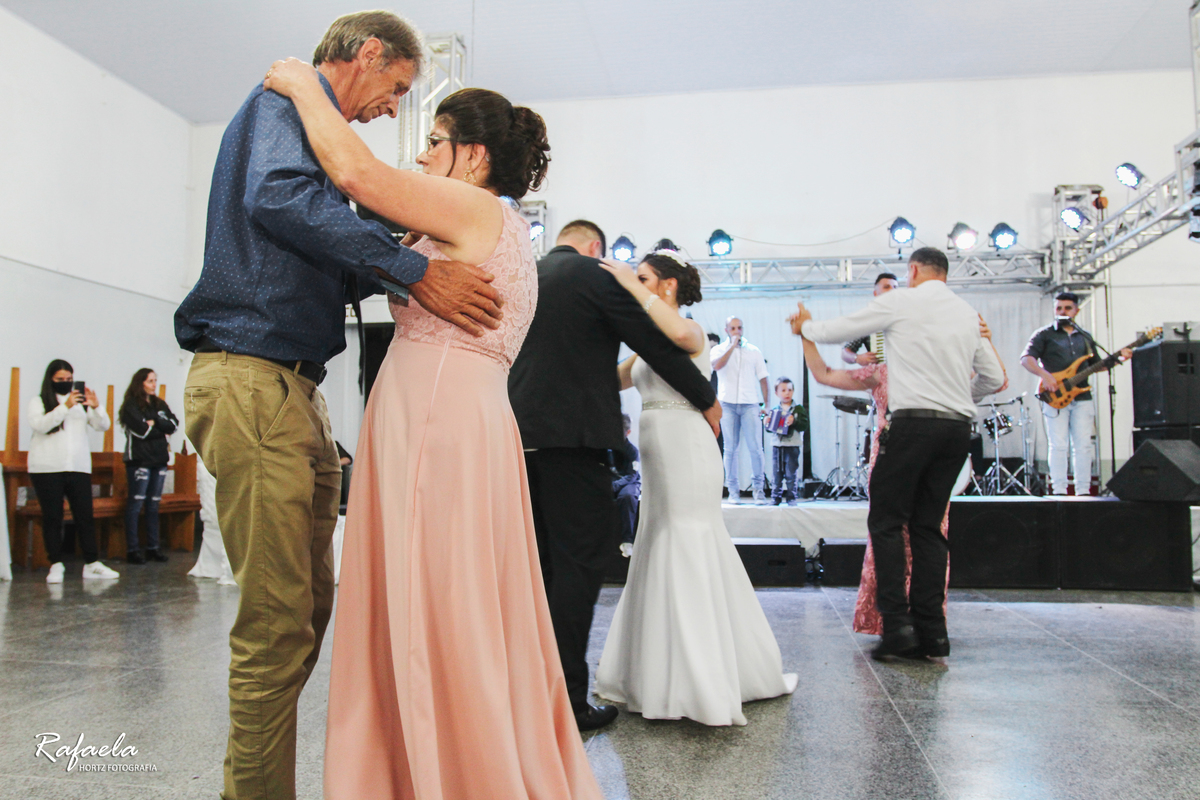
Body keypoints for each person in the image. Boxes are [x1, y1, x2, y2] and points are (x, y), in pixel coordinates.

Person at [175, 13, 504, 800]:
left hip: (293, 386)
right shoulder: (283, 105)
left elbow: (325, 248)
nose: (394, 110)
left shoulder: (317, 137)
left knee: (307, 613)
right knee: (276, 625)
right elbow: (283, 200)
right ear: (367, 54)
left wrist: (413, 249)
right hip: (253, 377)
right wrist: (414, 270)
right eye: (397, 88)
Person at [265, 52, 605, 798]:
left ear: (473, 156)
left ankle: (442, 772)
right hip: (459, 409)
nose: (421, 156)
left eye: (434, 141)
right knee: (455, 596)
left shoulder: (475, 209)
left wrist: (299, 85)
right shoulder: (494, 222)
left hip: (436, 412)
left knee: (433, 596)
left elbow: (358, 174)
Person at [509, 222, 721, 731]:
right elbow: (655, 346)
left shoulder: (526, 274)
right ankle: (568, 701)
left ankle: (530, 692)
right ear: (596, 249)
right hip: (575, 440)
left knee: (540, 570)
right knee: (579, 567)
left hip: (520, 436)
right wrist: (708, 399)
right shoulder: (593, 275)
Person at [593, 250, 797, 726]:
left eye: (644, 278)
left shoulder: (691, 331)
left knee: (686, 540)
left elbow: (683, 336)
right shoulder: (648, 341)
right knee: (658, 542)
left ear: (667, 286)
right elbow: (614, 378)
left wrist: (630, 286)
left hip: (687, 446)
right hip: (657, 449)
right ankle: (657, 673)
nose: (634, 282)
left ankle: (701, 679)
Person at [790, 247, 1005, 660]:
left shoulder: (902, 301)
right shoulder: (966, 313)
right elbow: (994, 377)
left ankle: (898, 629)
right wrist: (959, 396)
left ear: (914, 270)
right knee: (928, 528)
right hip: (956, 429)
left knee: (887, 523)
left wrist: (806, 327)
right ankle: (933, 632)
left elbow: (840, 330)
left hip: (912, 426)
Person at [1020, 292, 1131, 496]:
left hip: (1082, 397)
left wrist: (1118, 359)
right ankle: (1059, 490)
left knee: (1083, 445)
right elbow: (1026, 359)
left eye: (1067, 308)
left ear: (1076, 311)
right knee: (1058, 444)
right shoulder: (1044, 334)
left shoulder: (1085, 337)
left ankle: (1083, 490)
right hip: (1054, 396)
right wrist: (1045, 376)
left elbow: (1097, 365)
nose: (1062, 312)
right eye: (1058, 308)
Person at [26, 359, 119, 584]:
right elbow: (40, 425)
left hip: (78, 467)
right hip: (47, 467)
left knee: (85, 515)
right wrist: (65, 407)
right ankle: (55, 564)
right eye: (60, 379)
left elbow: (103, 425)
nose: (66, 383)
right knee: (53, 517)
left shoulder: (80, 403)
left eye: (69, 379)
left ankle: (92, 563)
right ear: (51, 379)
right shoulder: (39, 401)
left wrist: (96, 406)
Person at [118, 368, 179, 564]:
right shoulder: (130, 405)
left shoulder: (159, 404)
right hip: (139, 460)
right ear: (140, 383)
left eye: (155, 380)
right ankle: (133, 549)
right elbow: (141, 431)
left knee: (153, 505)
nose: (154, 384)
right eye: (150, 381)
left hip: (159, 460)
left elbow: (174, 425)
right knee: (136, 505)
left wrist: (156, 422)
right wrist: (160, 427)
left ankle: (153, 548)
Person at [711, 317, 770, 503]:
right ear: (726, 330)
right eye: (733, 328)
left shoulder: (753, 351)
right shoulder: (718, 350)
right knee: (730, 449)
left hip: (750, 403)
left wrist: (766, 404)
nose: (737, 331)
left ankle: (758, 490)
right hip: (727, 404)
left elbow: (763, 378)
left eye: (739, 328)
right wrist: (731, 347)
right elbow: (716, 366)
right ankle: (733, 491)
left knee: (756, 448)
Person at [841, 273, 900, 364]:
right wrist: (857, 358)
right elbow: (845, 353)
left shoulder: (908, 317)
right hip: (880, 371)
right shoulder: (867, 321)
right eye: (886, 287)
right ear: (875, 293)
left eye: (895, 287)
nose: (892, 290)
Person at [766, 377, 808, 505]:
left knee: (791, 473)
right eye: (783, 390)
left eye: (789, 390)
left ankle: (791, 497)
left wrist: (794, 421)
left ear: (793, 391)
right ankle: (775, 497)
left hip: (792, 445)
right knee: (776, 474)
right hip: (777, 445)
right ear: (776, 393)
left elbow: (804, 426)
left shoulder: (798, 409)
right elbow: (770, 429)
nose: (787, 393)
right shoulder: (775, 409)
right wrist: (767, 423)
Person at [613, 414, 641, 557]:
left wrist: (615, 485)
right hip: (612, 481)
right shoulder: (607, 449)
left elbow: (632, 475)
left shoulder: (632, 451)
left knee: (628, 496)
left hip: (629, 482)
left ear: (627, 432)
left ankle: (627, 541)